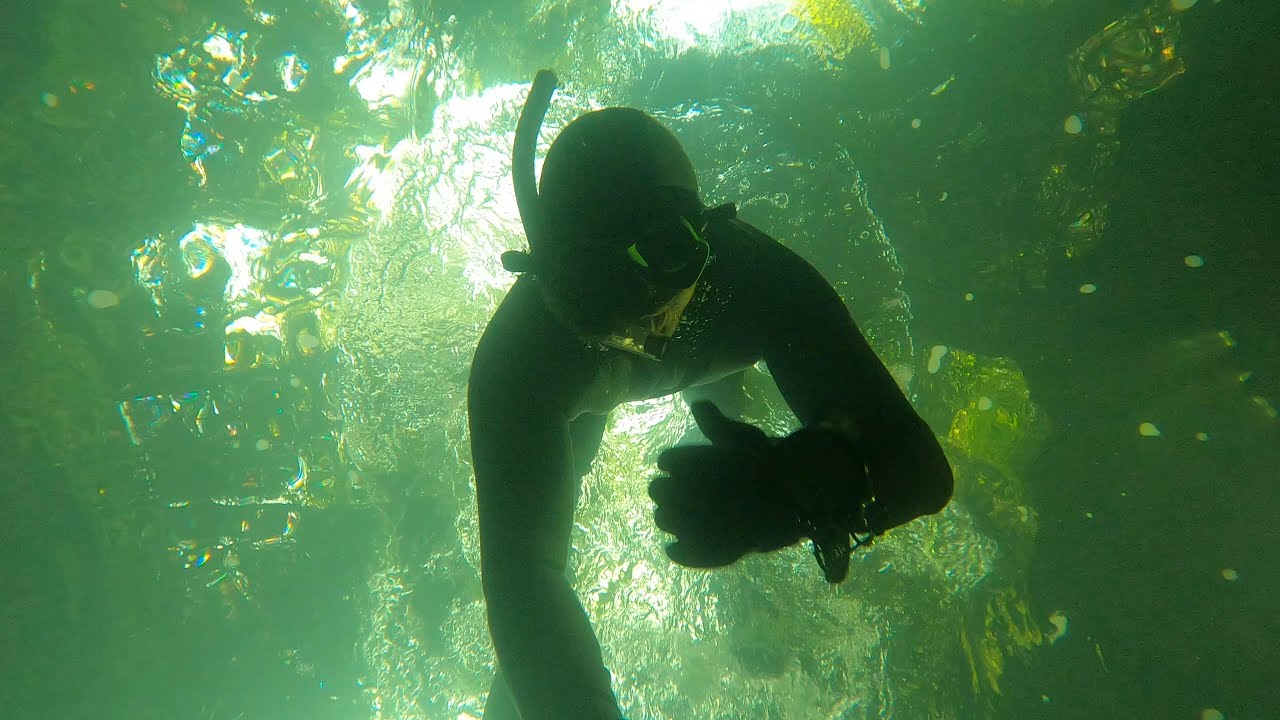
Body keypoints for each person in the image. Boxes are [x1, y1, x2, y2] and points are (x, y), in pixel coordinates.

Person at [467, 71, 953, 720]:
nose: (637, 311)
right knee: (549, 538)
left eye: (666, 253)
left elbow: (922, 474)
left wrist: (795, 497)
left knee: (724, 422)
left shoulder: (751, 280)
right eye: (592, 280)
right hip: (592, 391)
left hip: (687, 371)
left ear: (703, 240)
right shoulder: (523, 363)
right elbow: (524, 582)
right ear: (544, 270)